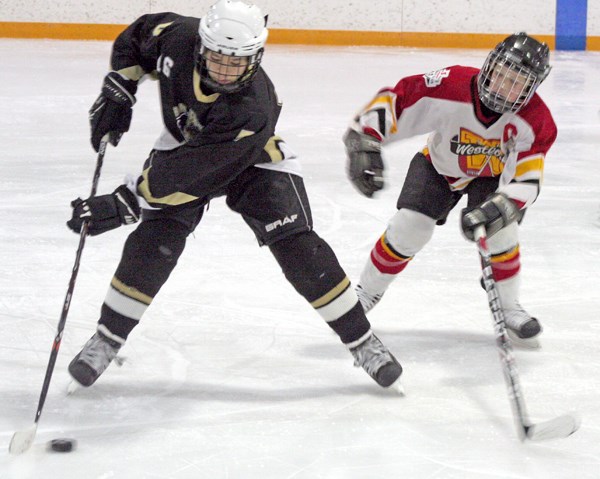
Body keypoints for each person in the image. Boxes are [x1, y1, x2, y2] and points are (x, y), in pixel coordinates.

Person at [66, 0, 402, 390]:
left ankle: (363, 342)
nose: (225, 70)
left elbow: (187, 174)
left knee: (298, 247)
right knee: (154, 242)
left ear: (256, 57)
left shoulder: (253, 107)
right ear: (200, 47)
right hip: (185, 146)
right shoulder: (179, 36)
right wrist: (121, 86)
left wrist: (123, 202)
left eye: (236, 62)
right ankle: (107, 339)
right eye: (216, 58)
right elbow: (139, 36)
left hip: (252, 160)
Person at [344, 33, 555, 348]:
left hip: (492, 180)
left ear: (531, 89)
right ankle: (367, 291)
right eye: (502, 75)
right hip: (439, 167)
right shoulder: (451, 84)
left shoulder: (536, 120)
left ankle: (509, 305)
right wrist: (365, 140)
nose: (503, 87)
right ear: (490, 66)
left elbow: (527, 179)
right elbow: (397, 101)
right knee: (409, 228)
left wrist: (500, 208)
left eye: (517, 82)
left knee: (502, 233)